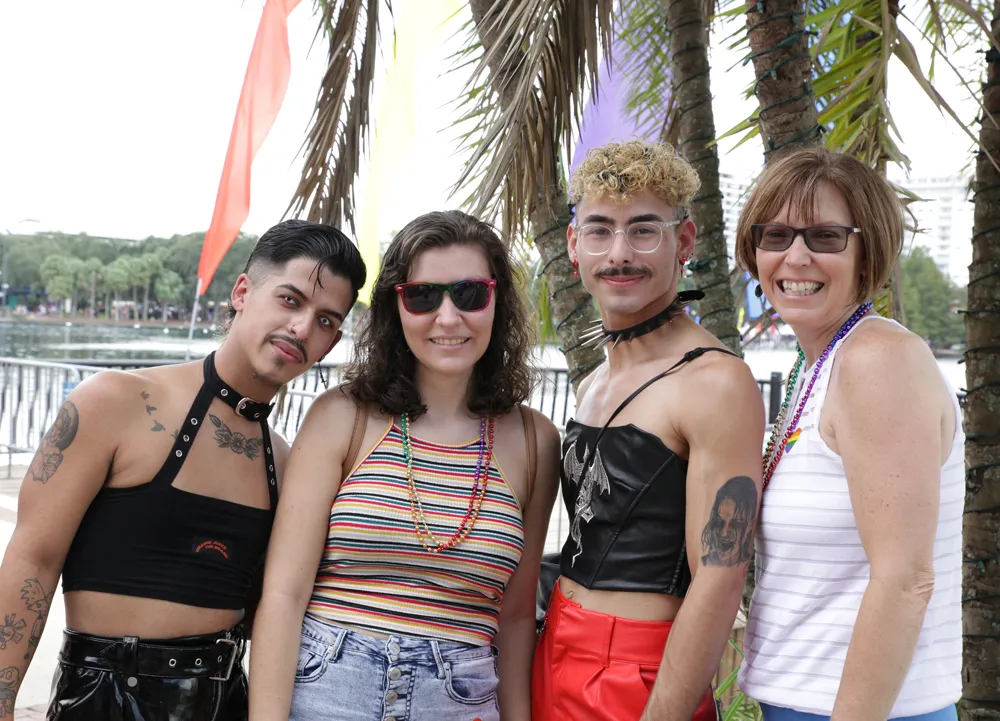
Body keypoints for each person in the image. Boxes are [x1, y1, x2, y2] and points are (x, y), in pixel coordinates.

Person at [0, 219, 366, 721]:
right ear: (242, 292)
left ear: (333, 342)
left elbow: (277, 606)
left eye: (325, 320)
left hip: (226, 700)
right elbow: (33, 560)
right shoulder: (116, 403)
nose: (302, 328)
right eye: (289, 300)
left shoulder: (285, 462)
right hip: (105, 699)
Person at [247, 210, 561, 721]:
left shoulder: (534, 440)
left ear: (497, 301)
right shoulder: (341, 416)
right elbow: (283, 595)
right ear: (396, 307)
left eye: (470, 294)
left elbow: (517, 617)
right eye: (422, 296)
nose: (448, 317)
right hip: (326, 697)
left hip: (460, 703)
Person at [530, 140, 766, 721]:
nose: (619, 254)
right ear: (573, 245)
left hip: (638, 672)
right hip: (553, 647)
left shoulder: (715, 381)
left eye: (643, 230)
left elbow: (719, 581)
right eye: (600, 230)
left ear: (683, 242)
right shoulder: (595, 382)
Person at [735, 148, 964, 721]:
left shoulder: (878, 360)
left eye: (825, 237)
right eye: (775, 235)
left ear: (867, 253)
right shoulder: (817, 366)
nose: (796, 256)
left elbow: (905, 581)